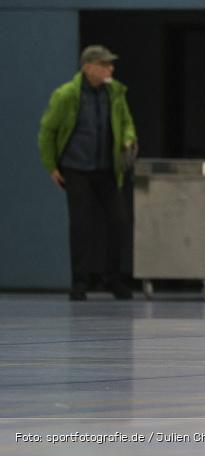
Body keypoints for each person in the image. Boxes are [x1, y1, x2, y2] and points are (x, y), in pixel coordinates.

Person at [38, 44, 138, 301]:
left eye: (110, 64)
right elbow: (47, 132)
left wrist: (128, 140)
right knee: (81, 224)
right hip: (76, 168)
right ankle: (79, 281)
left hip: (106, 168)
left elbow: (127, 122)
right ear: (88, 66)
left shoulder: (114, 92)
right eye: (104, 64)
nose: (110, 68)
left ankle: (112, 279)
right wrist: (51, 166)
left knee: (119, 220)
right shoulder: (66, 95)